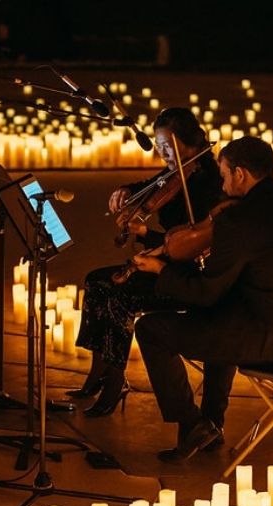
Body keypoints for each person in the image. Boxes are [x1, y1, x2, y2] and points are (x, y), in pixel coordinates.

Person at [131, 136, 273, 462]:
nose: (223, 182)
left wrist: (161, 269)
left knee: (150, 329)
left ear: (241, 174)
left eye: (226, 174)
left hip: (260, 340)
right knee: (221, 319)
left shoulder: (238, 221)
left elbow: (205, 292)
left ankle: (194, 422)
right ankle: (212, 424)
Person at [70, 107, 223, 416]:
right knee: (96, 282)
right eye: (159, 144)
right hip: (166, 262)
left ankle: (114, 383)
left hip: (188, 274)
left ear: (188, 144)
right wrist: (126, 190)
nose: (160, 152)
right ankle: (98, 374)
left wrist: (144, 234)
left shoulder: (207, 182)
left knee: (120, 297)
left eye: (167, 146)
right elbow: (151, 185)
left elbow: (186, 246)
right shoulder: (177, 171)